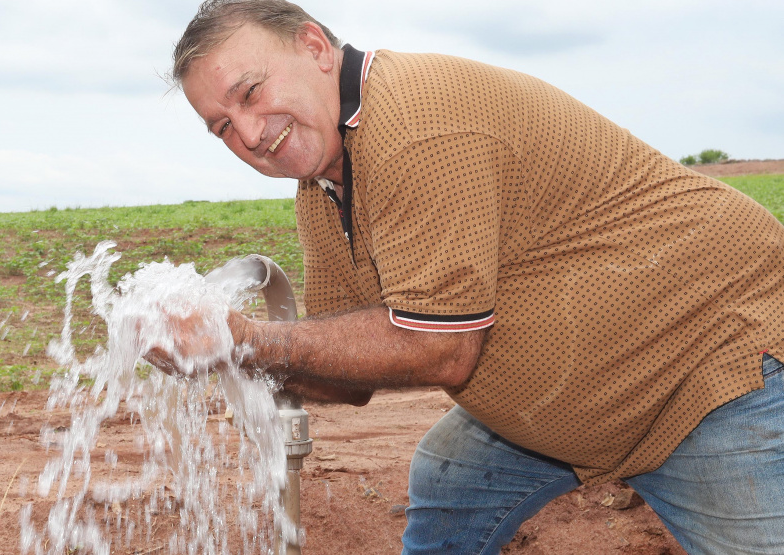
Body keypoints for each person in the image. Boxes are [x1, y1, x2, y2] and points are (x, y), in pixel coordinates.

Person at [157, 1, 784, 552]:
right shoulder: (324, 182)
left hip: (714, 371)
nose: (247, 134)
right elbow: (346, 377)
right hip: (596, 394)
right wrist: (222, 353)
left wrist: (245, 341)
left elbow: (440, 348)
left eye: (249, 92)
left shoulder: (415, 123)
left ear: (315, 48)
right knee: (450, 476)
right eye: (221, 126)